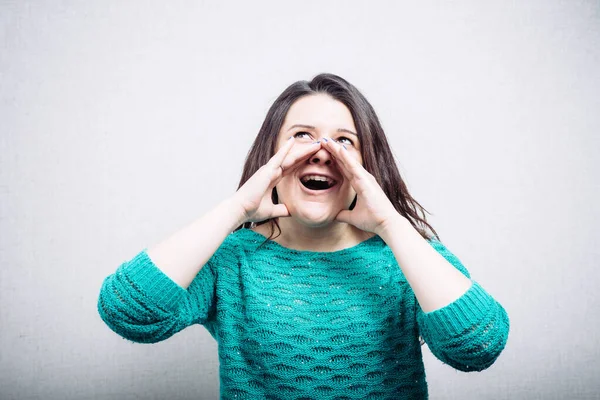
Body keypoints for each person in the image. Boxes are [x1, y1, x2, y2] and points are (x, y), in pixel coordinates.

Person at [97, 73, 510, 399]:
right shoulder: (232, 262)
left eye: (344, 142)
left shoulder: (408, 259)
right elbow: (128, 312)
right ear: (272, 159)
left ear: (366, 167)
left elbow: (476, 347)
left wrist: (390, 224)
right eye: (302, 135)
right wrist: (235, 209)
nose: (322, 152)